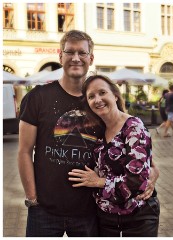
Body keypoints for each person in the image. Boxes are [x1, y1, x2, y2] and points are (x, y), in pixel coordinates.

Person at [18, 30, 159, 237]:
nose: (76, 58)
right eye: (70, 52)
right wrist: (32, 198)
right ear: (61, 56)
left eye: (82, 53)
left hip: (90, 210)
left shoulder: (97, 105)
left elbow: (140, 154)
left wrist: (153, 174)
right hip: (45, 210)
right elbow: (24, 151)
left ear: (91, 58)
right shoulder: (38, 97)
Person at [68, 74, 160, 237]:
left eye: (102, 92)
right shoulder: (97, 130)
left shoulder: (133, 128)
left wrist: (98, 182)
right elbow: (150, 166)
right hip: (105, 219)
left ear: (115, 95)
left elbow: (135, 182)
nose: (97, 99)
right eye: (91, 96)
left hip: (138, 218)